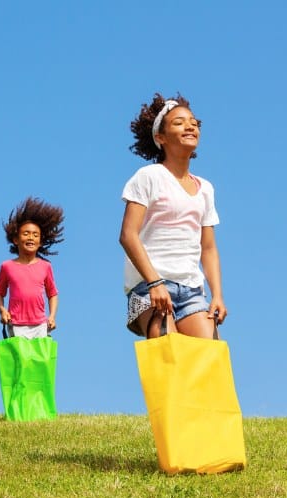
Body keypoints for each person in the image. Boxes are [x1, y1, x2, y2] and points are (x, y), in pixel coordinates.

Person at [119, 93, 227, 339]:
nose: (190, 126)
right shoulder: (149, 176)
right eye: (178, 122)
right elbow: (128, 235)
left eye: (193, 122)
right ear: (160, 137)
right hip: (149, 286)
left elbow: (208, 248)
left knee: (209, 358)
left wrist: (217, 295)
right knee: (166, 356)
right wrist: (154, 283)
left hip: (191, 289)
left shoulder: (206, 188)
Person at [0, 197, 64, 339]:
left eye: (35, 235)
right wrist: (2, 311)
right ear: (16, 239)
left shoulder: (45, 266)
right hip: (16, 323)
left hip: (40, 324)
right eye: (26, 234)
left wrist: (52, 316)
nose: (31, 238)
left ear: (40, 242)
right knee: (20, 361)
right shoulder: (7, 266)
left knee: (38, 361)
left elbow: (52, 294)